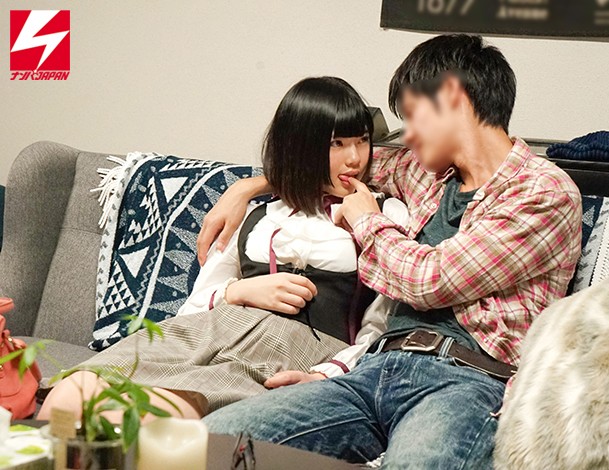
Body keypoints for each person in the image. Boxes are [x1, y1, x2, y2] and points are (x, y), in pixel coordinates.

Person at [198, 34, 583, 468]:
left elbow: (431, 281)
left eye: (413, 117)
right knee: (215, 443)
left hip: (467, 380)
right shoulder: (426, 173)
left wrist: (366, 221)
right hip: (374, 370)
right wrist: (246, 187)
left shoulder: (543, 192)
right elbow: (330, 162)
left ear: (454, 101)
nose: (407, 136)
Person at [38, 76, 407, 423]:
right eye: (336, 144)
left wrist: (328, 374)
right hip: (207, 331)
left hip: (289, 351)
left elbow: (383, 326)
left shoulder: (385, 215)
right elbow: (193, 308)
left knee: (149, 415)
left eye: (362, 140)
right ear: (300, 146)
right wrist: (238, 291)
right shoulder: (258, 214)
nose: (355, 158)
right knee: (68, 396)